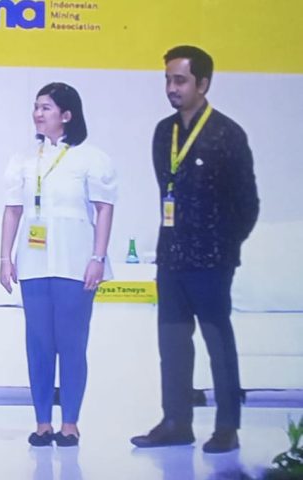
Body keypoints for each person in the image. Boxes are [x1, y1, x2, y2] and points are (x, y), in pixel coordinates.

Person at [130, 45, 259, 454]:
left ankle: (227, 428)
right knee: (172, 343)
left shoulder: (226, 134)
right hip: (172, 258)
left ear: (202, 83)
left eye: (180, 80)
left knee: (218, 343)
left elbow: (248, 204)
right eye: (168, 79)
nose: (172, 87)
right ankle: (176, 422)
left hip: (212, 262)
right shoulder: (162, 132)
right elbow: (166, 189)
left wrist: (222, 247)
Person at [0, 82, 116, 448]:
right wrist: (5, 258)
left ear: (67, 115)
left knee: (71, 343)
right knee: (38, 343)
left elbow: (104, 209)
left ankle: (70, 423)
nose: (38, 113)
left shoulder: (91, 158)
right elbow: (12, 210)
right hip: (33, 263)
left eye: (46, 107)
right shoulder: (22, 159)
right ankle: (42, 423)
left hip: (75, 262)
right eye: (36, 106)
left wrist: (97, 258)